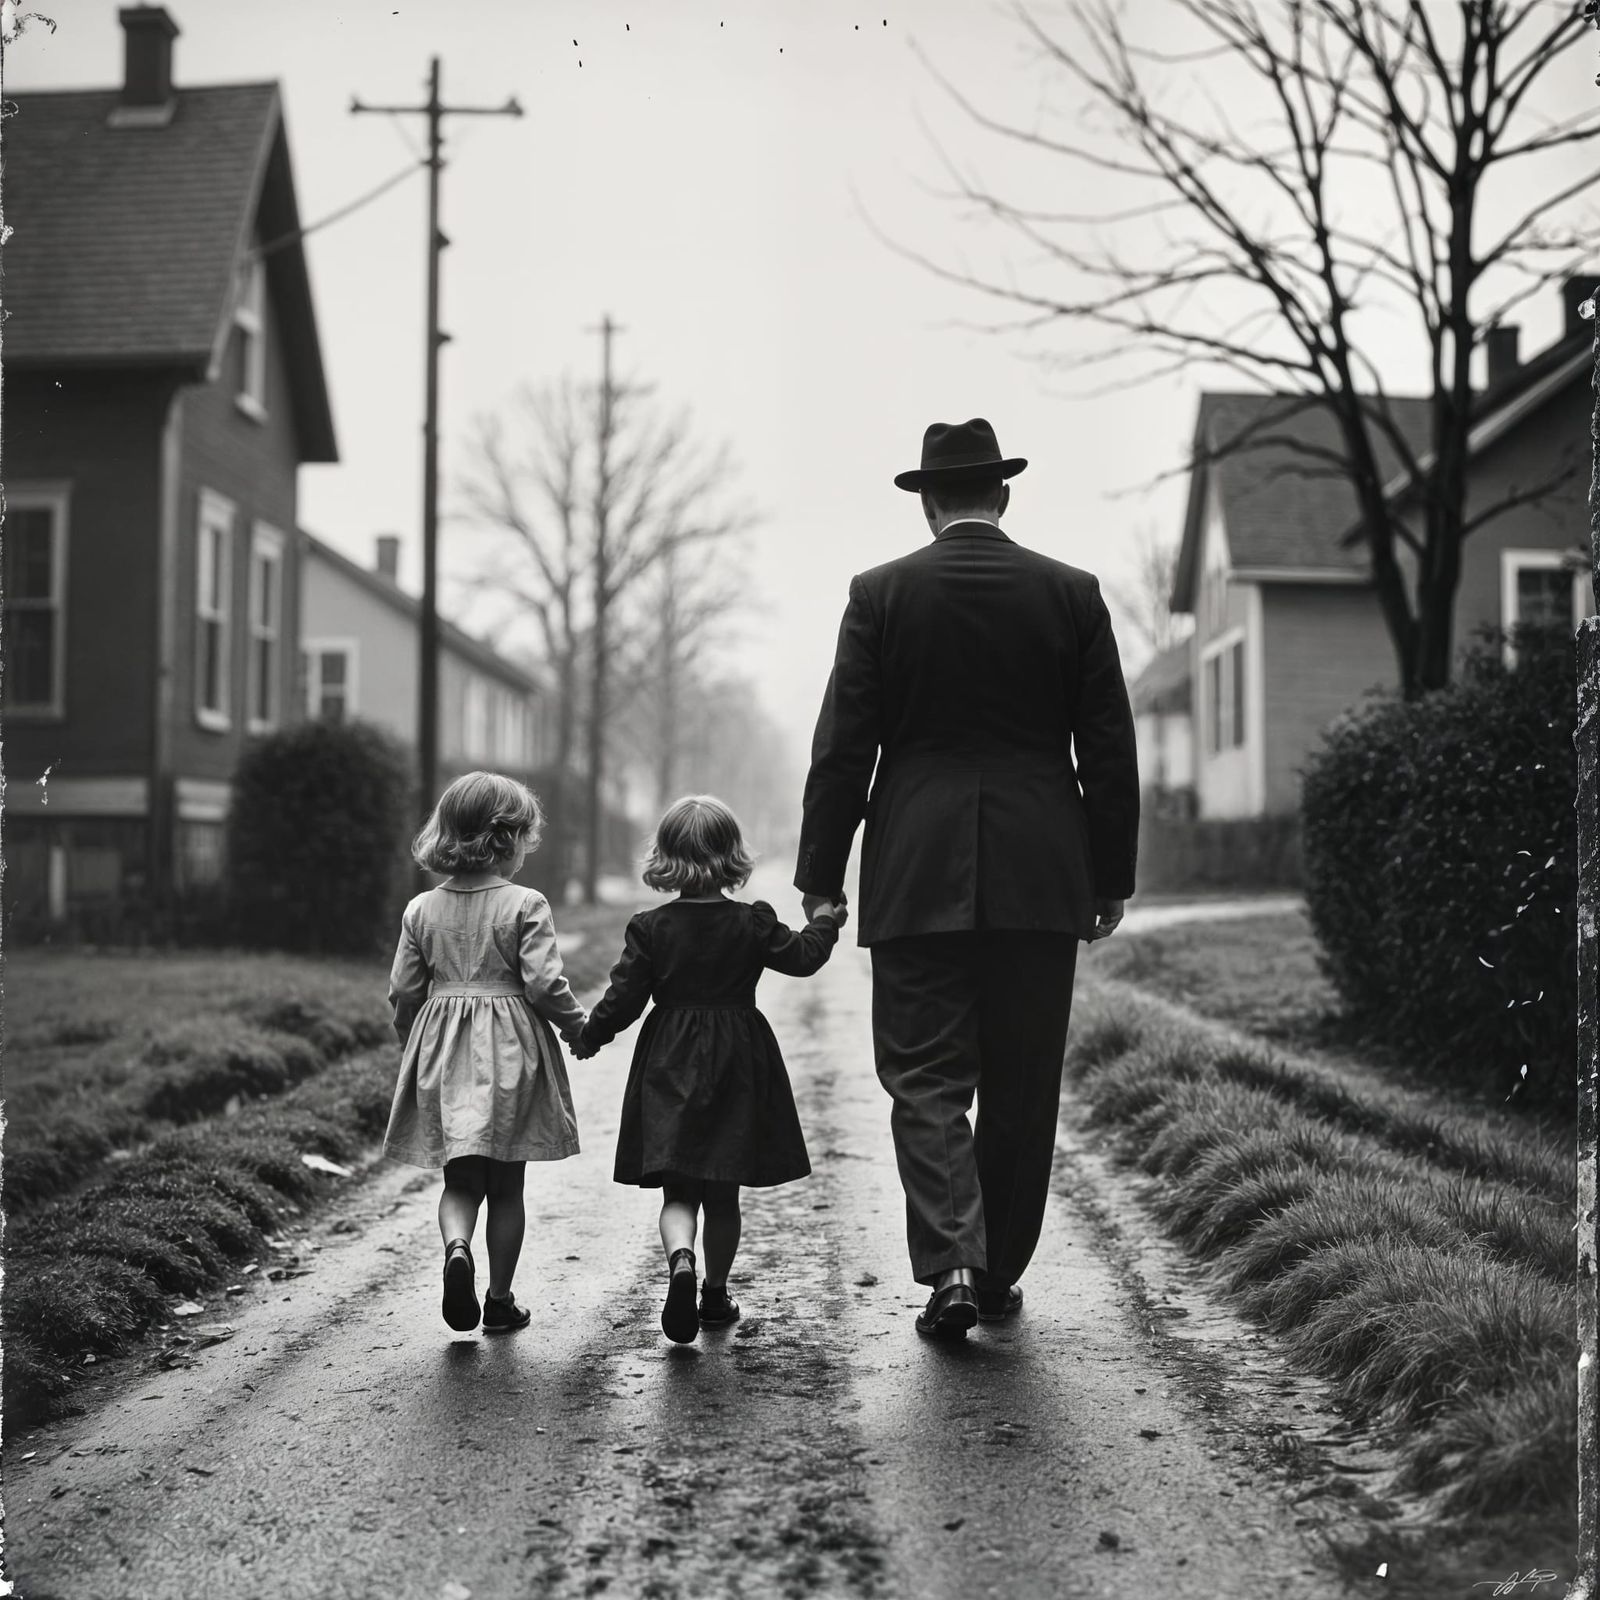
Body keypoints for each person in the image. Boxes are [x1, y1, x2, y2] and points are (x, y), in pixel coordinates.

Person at [795, 417, 1139, 1339]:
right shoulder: (1072, 593)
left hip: (915, 869)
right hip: (1041, 872)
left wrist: (821, 875)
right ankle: (995, 1278)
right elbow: (1107, 748)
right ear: (1004, 495)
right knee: (1025, 1084)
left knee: (925, 1077)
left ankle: (950, 1262)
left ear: (928, 502)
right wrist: (1112, 876)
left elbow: (844, 749)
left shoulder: (880, 594)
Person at [570, 795, 846, 1344]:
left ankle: (680, 1261)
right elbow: (803, 957)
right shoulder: (752, 922)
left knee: (679, 1192)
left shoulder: (651, 928)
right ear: (731, 856)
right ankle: (714, 1294)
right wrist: (824, 921)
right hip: (738, 1061)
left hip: (669, 1060)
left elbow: (624, 999)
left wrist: (589, 1035)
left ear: (665, 855)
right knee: (723, 1193)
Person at [384, 771, 588, 1335]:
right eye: (524, 836)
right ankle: (498, 1299)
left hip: (444, 1050)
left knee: (460, 1181)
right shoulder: (526, 903)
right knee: (507, 1186)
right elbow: (545, 986)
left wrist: (415, 1045)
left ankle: (456, 1248)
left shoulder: (421, 909)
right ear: (507, 838)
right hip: (510, 1051)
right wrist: (577, 1029)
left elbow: (403, 992)